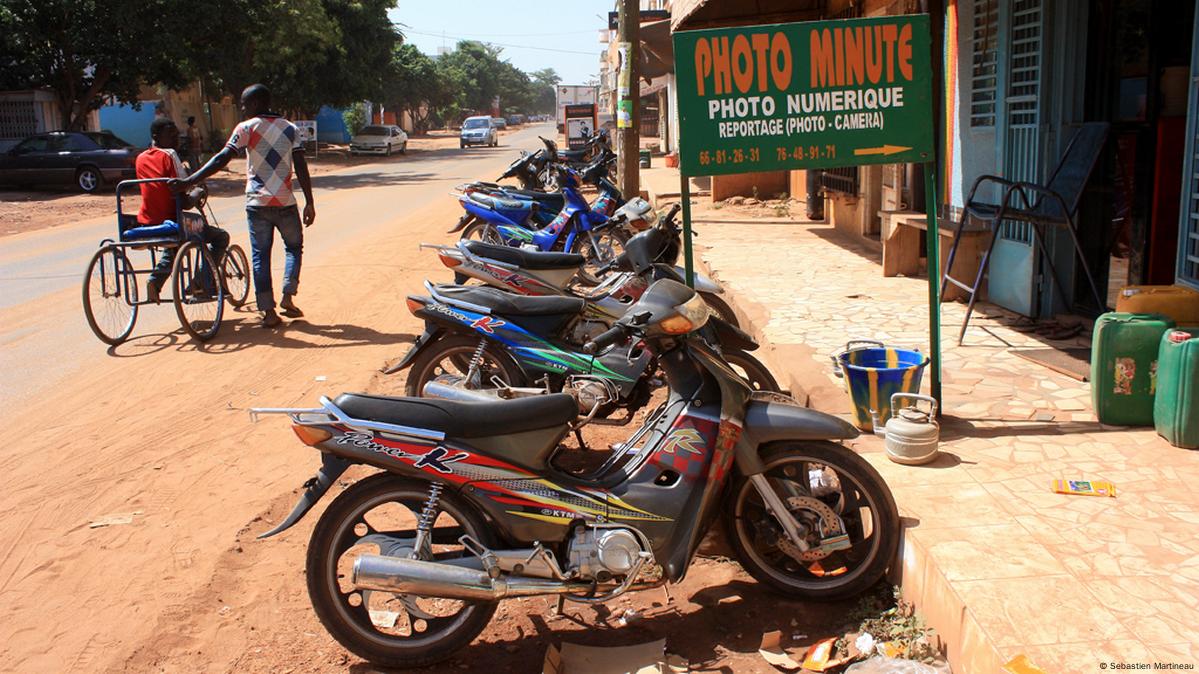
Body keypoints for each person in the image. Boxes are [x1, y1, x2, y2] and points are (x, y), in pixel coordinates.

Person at [172, 83, 316, 328]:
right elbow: (300, 165)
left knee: (260, 256)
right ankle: (288, 295)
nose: (242, 107)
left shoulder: (247, 128)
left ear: (257, 103)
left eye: (245, 103)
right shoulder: (290, 129)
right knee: (294, 248)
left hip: (257, 203)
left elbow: (222, 157)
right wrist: (309, 202)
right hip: (285, 202)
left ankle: (268, 313)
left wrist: (190, 180)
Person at [136, 117, 229, 303]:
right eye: (171, 136)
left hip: (148, 220)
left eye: (177, 135)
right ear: (156, 137)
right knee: (221, 237)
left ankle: (155, 281)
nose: (176, 140)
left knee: (174, 247)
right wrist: (198, 192)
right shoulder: (169, 155)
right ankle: (201, 281)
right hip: (173, 219)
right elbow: (185, 200)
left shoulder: (140, 158)